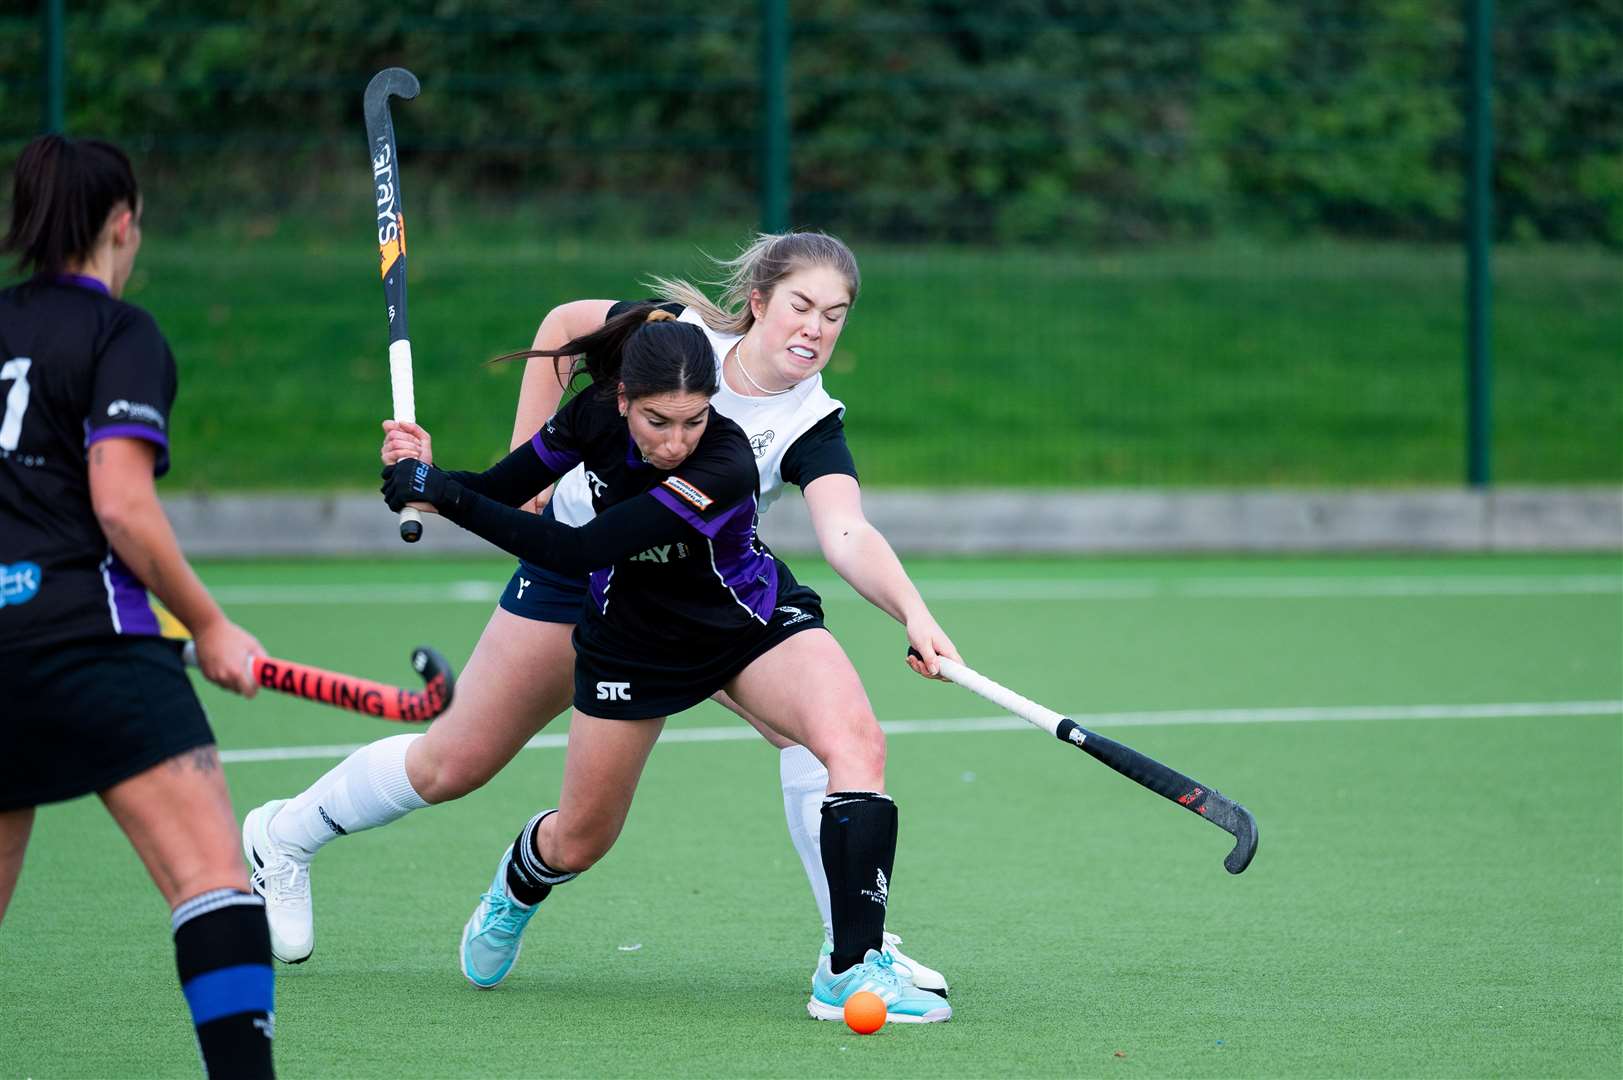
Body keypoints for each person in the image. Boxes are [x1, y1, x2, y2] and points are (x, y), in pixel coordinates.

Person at [242, 232, 959, 1011]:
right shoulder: (668, 337)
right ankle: (284, 836)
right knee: (459, 768)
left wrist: (913, 614)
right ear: (757, 301)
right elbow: (559, 330)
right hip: (573, 580)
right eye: (801, 305)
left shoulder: (810, 420)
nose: (815, 329)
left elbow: (846, 531)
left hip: (704, 600)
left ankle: (851, 952)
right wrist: (481, 474)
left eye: (835, 315)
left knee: (828, 737)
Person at [0, 134, 276, 1077]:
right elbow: (120, 503)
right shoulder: (121, 333)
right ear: (123, 223)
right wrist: (207, 624)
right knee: (213, 884)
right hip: (90, 637)